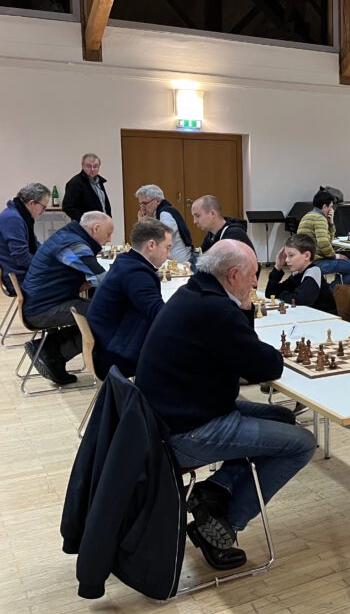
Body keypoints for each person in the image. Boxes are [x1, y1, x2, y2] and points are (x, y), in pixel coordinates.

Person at [134, 241, 316, 570]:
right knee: (302, 444)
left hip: (174, 414)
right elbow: (266, 366)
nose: (255, 283)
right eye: (252, 275)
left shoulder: (194, 293)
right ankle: (223, 529)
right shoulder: (216, 310)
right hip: (185, 432)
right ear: (232, 275)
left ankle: (214, 490)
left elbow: (248, 355)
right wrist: (245, 310)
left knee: (282, 416)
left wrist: (242, 310)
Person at [21, 211, 114, 384]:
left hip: (41, 302)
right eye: (108, 234)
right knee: (104, 316)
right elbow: (103, 279)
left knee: (99, 311)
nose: (109, 239)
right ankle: (53, 355)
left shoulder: (67, 237)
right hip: (41, 309)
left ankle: (48, 347)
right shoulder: (73, 245)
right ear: (96, 228)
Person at [86, 218, 171, 380]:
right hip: (115, 357)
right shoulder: (137, 274)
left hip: (105, 345)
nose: (169, 254)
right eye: (167, 247)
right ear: (151, 245)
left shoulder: (126, 262)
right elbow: (159, 314)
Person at [297, 188, 350, 285]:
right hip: (315, 262)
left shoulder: (306, 216)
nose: (332, 210)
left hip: (304, 261)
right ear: (325, 207)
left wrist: (331, 222)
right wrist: (334, 256)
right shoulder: (320, 219)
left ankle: (329, 289)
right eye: (331, 206)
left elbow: (329, 239)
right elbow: (324, 243)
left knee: (343, 264)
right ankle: (332, 291)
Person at [266, 234, 336, 314]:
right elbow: (270, 293)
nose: (286, 260)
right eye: (286, 256)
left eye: (291, 255)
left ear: (306, 255)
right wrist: (277, 267)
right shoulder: (297, 273)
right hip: (310, 317)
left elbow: (299, 300)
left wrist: (281, 294)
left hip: (327, 318)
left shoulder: (314, 271)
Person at [0, 182, 48, 295]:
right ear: (32, 203)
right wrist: (46, 265)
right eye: (43, 207)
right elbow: (22, 257)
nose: (43, 212)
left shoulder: (20, 215)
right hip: (19, 279)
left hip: (23, 273)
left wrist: (49, 254)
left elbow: (35, 244)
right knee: (67, 281)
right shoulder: (13, 218)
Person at [136, 184, 193, 264]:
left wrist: (143, 224)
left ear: (158, 201)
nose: (142, 208)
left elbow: (161, 238)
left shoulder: (165, 214)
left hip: (179, 264)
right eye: (141, 204)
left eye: (145, 204)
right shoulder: (161, 212)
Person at [63, 153, 112, 222]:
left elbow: (104, 205)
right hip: (85, 225)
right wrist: (85, 221)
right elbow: (68, 207)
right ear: (82, 166)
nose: (92, 169)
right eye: (88, 166)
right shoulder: (75, 183)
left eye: (95, 166)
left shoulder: (99, 182)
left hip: (102, 223)